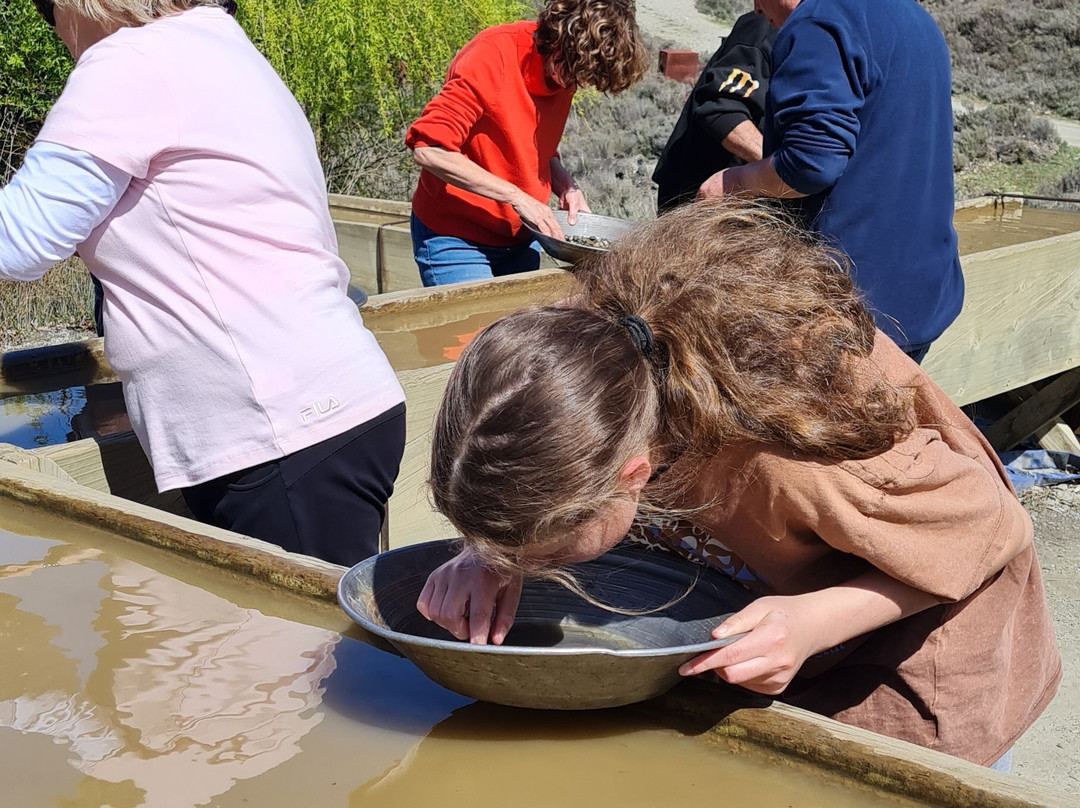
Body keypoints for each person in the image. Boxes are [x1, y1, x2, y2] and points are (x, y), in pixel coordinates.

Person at [415, 199, 1061, 770]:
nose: (530, 567)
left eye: (547, 553)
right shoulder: (586, 358)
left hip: (926, 638)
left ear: (632, 475)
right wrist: (488, 554)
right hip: (790, 594)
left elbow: (997, 530)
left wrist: (816, 621)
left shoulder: (796, 458)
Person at [0, 0, 406, 566]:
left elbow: (19, 240)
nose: (55, 31)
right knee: (320, 618)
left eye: (51, 11)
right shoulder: (218, 45)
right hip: (326, 407)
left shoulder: (129, 61)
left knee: (293, 626)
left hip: (276, 429)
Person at [698, 0, 964, 363]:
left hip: (846, 308)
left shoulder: (819, 23)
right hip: (922, 297)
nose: (757, 11)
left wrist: (732, 183)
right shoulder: (913, 15)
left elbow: (811, 163)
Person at [404, 0, 648, 287]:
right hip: (456, 236)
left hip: (521, 237)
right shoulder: (492, 55)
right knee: (481, 319)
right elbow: (430, 149)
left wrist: (567, 186)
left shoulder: (566, 68)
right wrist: (518, 197)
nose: (574, 83)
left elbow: (535, 150)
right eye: (575, 72)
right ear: (559, 38)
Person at [652, 11, 775, 212]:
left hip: (745, 203)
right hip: (702, 199)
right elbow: (722, 110)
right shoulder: (765, 27)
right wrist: (780, 169)